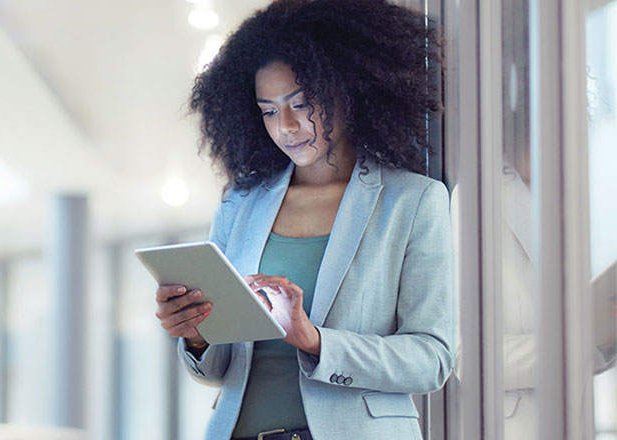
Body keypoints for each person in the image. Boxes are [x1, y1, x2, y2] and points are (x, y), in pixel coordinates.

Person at [152, 1, 455, 439]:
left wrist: (316, 341)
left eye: (302, 103)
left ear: (347, 91)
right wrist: (196, 332)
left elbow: (433, 358)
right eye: (269, 110)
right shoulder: (241, 203)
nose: (287, 126)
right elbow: (217, 370)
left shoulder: (413, 201)